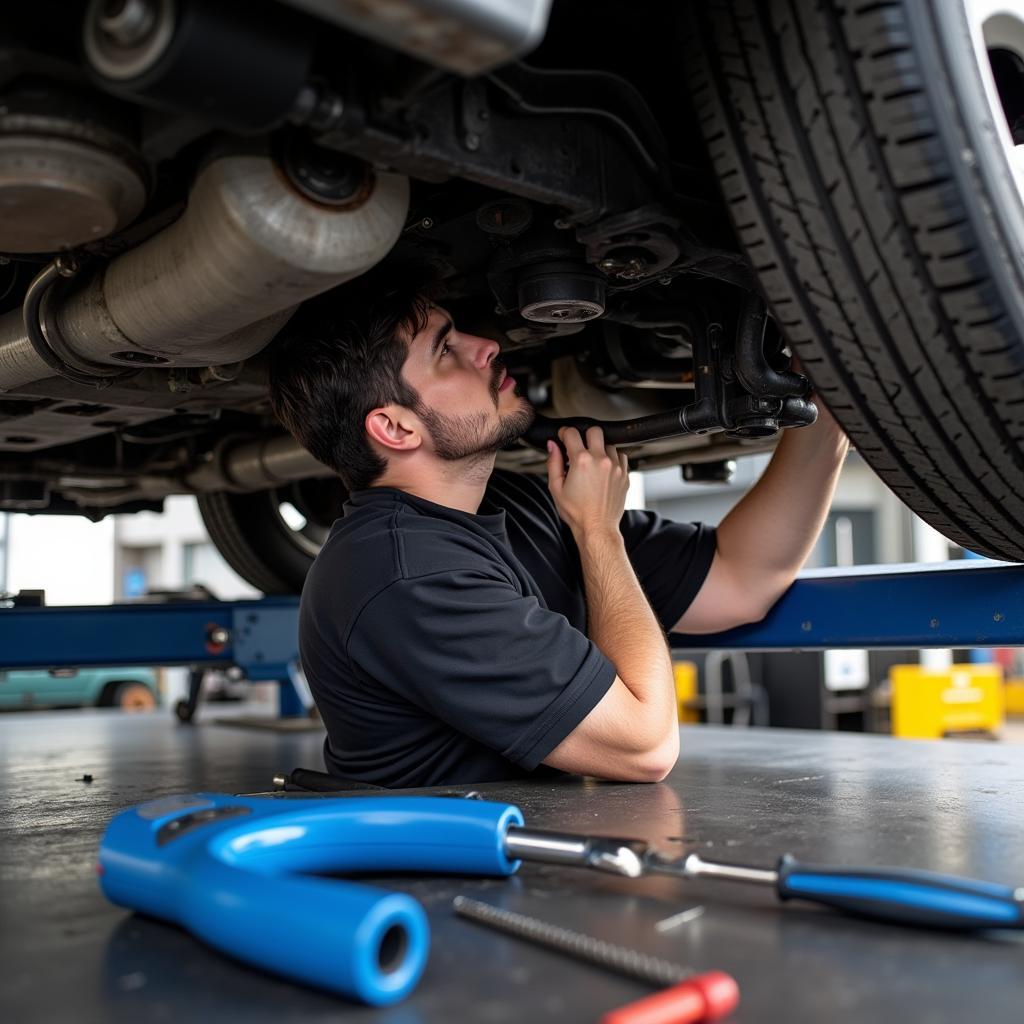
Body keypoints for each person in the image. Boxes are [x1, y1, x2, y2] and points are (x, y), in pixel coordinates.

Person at [269, 273, 849, 788]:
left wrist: (833, 410)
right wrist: (600, 536)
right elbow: (645, 746)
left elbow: (741, 580)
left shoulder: (520, 505)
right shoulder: (404, 575)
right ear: (394, 427)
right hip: (439, 886)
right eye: (446, 351)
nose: (486, 345)